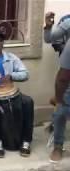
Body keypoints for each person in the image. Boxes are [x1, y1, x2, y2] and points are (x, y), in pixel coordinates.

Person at [44, 12, 70, 162]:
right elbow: (49, 39)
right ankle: (58, 146)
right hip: (67, 70)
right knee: (61, 111)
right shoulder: (68, 22)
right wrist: (48, 26)